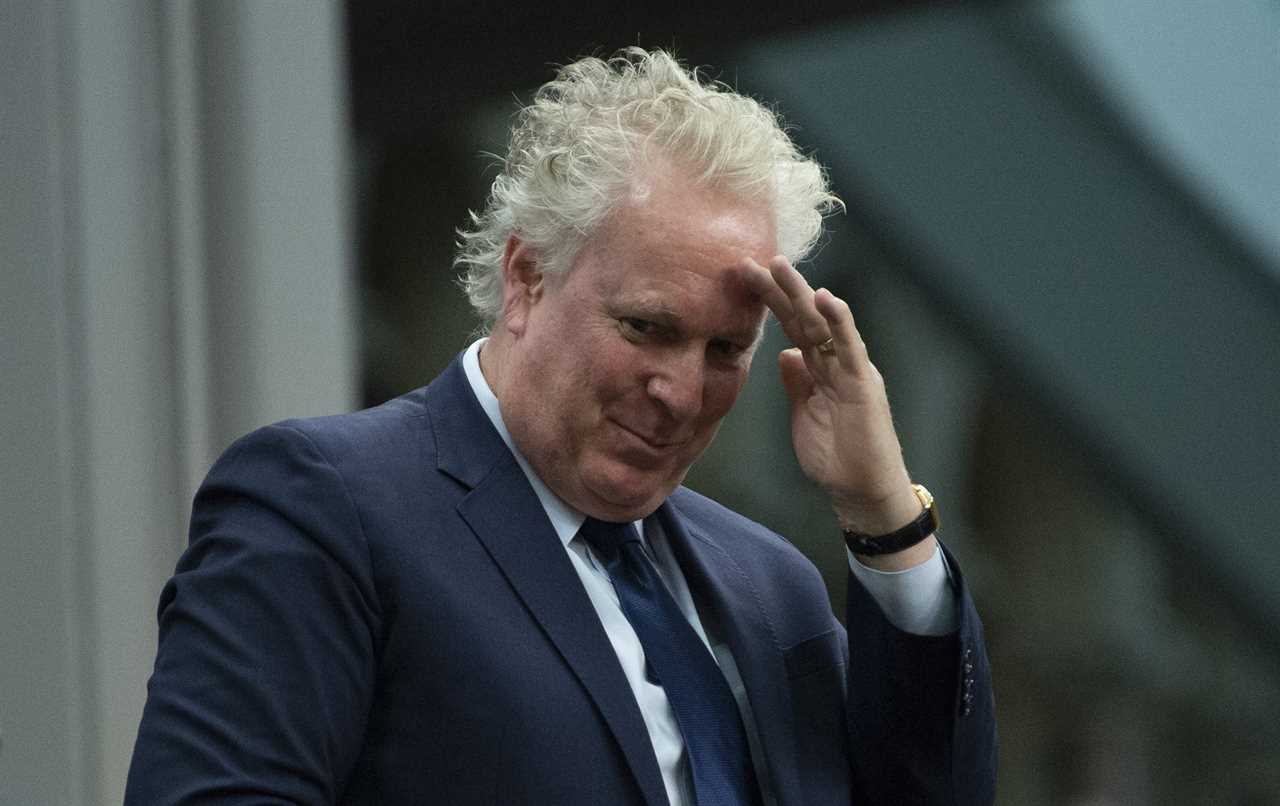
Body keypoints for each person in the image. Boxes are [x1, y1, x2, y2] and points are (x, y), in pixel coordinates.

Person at [126, 48, 996, 805]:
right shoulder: (328, 506)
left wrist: (885, 515)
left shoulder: (773, 589)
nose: (681, 392)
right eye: (647, 328)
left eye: (725, 349)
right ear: (526, 278)